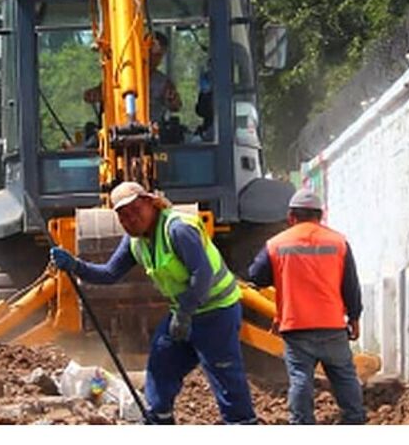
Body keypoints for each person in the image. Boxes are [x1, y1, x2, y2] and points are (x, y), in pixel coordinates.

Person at [50, 181, 256, 425]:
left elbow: (203, 274)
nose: (131, 220)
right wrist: (75, 265)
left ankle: (242, 424)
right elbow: (109, 274)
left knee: (225, 378)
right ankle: (159, 421)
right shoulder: (135, 240)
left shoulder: (178, 229)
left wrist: (184, 314)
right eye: (123, 216)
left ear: (151, 203)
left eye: (135, 211)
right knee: (161, 367)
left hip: (217, 312)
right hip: (184, 311)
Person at [247, 187, 366, 425]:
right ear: (320, 216)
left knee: (301, 378)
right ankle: (355, 420)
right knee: (344, 376)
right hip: (332, 325)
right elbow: (351, 285)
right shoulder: (339, 243)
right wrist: (354, 317)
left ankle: (301, 425)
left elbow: (256, 276)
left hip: (296, 326)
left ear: (291, 217)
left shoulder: (276, 244)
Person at [83, 32, 181, 124]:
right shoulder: (122, 75)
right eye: (150, 53)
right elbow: (92, 95)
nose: (154, 59)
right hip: (117, 130)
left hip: (151, 133)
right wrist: (96, 94)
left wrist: (173, 101)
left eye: (158, 55)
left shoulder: (163, 83)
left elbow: (176, 106)